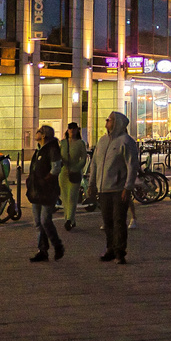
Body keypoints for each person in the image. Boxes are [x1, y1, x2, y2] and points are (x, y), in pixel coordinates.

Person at [90, 111, 140, 264]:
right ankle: (110, 248)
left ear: (117, 123)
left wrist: (128, 187)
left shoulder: (126, 141)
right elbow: (95, 164)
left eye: (109, 120)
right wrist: (92, 183)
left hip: (119, 189)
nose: (106, 122)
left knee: (119, 220)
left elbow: (132, 165)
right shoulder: (102, 141)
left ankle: (120, 251)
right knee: (107, 221)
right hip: (103, 189)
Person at [26, 124, 66, 262]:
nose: (35, 133)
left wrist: (45, 179)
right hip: (36, 190)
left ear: (43, 135)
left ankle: (57, 245)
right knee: (38, 222)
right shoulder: (39, 150)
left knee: (45, 220)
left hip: (47, 190)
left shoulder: (52, 149)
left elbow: (56, 168)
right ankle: (42, 250)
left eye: (38, 131)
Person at [59, 122, 87, 229]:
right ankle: (69, 219)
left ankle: (69, 219)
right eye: (70, 129)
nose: (72, 131)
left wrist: (76, 168)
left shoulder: (80, 143)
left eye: (74, 129)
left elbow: (83, 159)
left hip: (75, 172)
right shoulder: (63, 143)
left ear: (77, 130)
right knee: (65, 197)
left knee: (72, 197)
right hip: (63, 172)